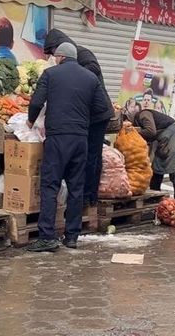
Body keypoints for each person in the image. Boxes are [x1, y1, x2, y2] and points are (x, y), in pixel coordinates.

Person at [26, 42, 110, 252]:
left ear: (61, 57)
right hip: (80, 138)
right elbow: (101, 107)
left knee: (50, 185)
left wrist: (30, 121)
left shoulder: (51, 74)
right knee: (76, 187)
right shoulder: (90, 78)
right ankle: (72, 236)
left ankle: (47, 236)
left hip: (57, 138)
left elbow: (37, 102)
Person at [43, 29, 115, 207]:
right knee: (85, 156)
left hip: (97, 115)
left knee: (92, 155)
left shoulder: (83, 53)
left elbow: (93, 70)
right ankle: (84, 196)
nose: (54, 56)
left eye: (54, 52)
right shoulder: (68, 61)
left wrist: (71, 74)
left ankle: (88, 196)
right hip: (84, 114)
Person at [127, 107, 175, 201]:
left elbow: (151, 131)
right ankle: (154, 197)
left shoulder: (143, 114)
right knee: (156, 169)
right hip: (163, 140)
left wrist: (133, 131)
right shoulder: (140, 121)